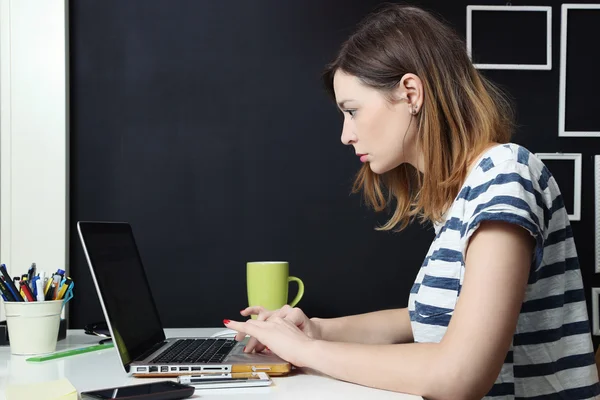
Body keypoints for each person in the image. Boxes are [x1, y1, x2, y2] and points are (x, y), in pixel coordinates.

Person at [224, 4, 600, 399]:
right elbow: (424, 319)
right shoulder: (463, 192)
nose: (345, 135)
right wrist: (317, 328)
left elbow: (459, 376)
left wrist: (307, 350)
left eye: (352, 111)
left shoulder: (504, 175)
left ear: (410, 93)